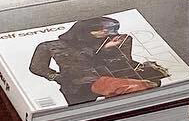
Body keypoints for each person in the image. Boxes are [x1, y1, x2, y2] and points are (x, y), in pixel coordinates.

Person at [25, 17, 169, 107]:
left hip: (113, 77)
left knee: (151, 84)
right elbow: (37, 67)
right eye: (102, 30)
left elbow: (124, 63)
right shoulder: (50, 46)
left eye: (110, 30)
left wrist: (144, 68)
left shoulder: (115, 41)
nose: (106, 33)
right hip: (81, 83)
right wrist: (57, 77)